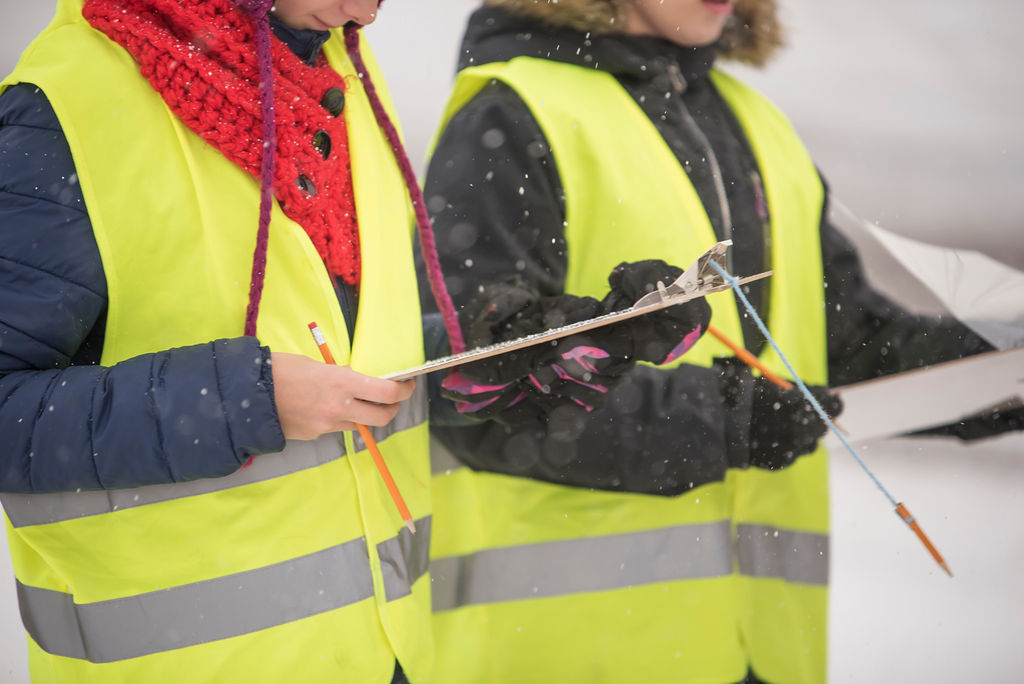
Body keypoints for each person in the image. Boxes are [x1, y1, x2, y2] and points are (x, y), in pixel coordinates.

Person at [418, 1, 1021, 683]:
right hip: (571, 651)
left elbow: (847, 341)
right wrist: (725, 422)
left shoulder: (754, 122)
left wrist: (1006, 374)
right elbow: (475, 387)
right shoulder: (512, 114)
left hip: (759, 648)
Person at [0, 0, 463, 681]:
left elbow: (336, 337)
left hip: (380, 657)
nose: (371, 9)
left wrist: (492, 358)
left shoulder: (331, 61)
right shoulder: (66, 105)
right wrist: (239, 402)